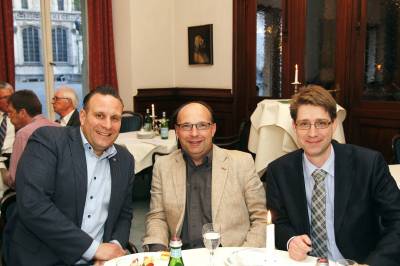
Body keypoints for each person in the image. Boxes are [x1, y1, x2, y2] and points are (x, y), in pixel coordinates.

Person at [265, 85, 400, 265]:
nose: (312, 133)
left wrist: (372, 264)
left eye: (321, 123)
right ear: (294, 126)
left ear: (334, 124)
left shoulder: (368, 164)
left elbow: (397, 220)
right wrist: (291, 241)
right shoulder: (279, 171)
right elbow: (279, 223)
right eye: (304, 124)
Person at [9, 86, 135, 265]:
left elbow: (124, 213)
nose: (107, 125)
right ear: (83, 117)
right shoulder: (49, 141)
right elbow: (33, 204)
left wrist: (112, 249)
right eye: (99, 115)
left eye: (115, 118)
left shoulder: (125, 159)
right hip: (43, 257)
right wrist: (94, 249)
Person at [143, 101, 267, 251]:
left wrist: (243, 256)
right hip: (182, 257)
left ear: (213, 129)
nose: (194, 133)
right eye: (186, 126)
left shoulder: (242, 163)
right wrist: (159, 250)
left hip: (230, 257)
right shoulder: (163, 166)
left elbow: (261, 219)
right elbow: (157, 217)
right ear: (176, 131)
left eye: (202, 125)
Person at [2, 90, 59, 188]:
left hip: (34, 198)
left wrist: (2, 169)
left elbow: (14, 180)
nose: (9, 117)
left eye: (11, 112)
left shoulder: (23, 134)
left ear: (22, 113)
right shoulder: (61, 128)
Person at [0, 82, 15, 169]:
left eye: (11, 96)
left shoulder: (21, 115)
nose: (9, 101)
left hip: (12, 159)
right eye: (5, 97)